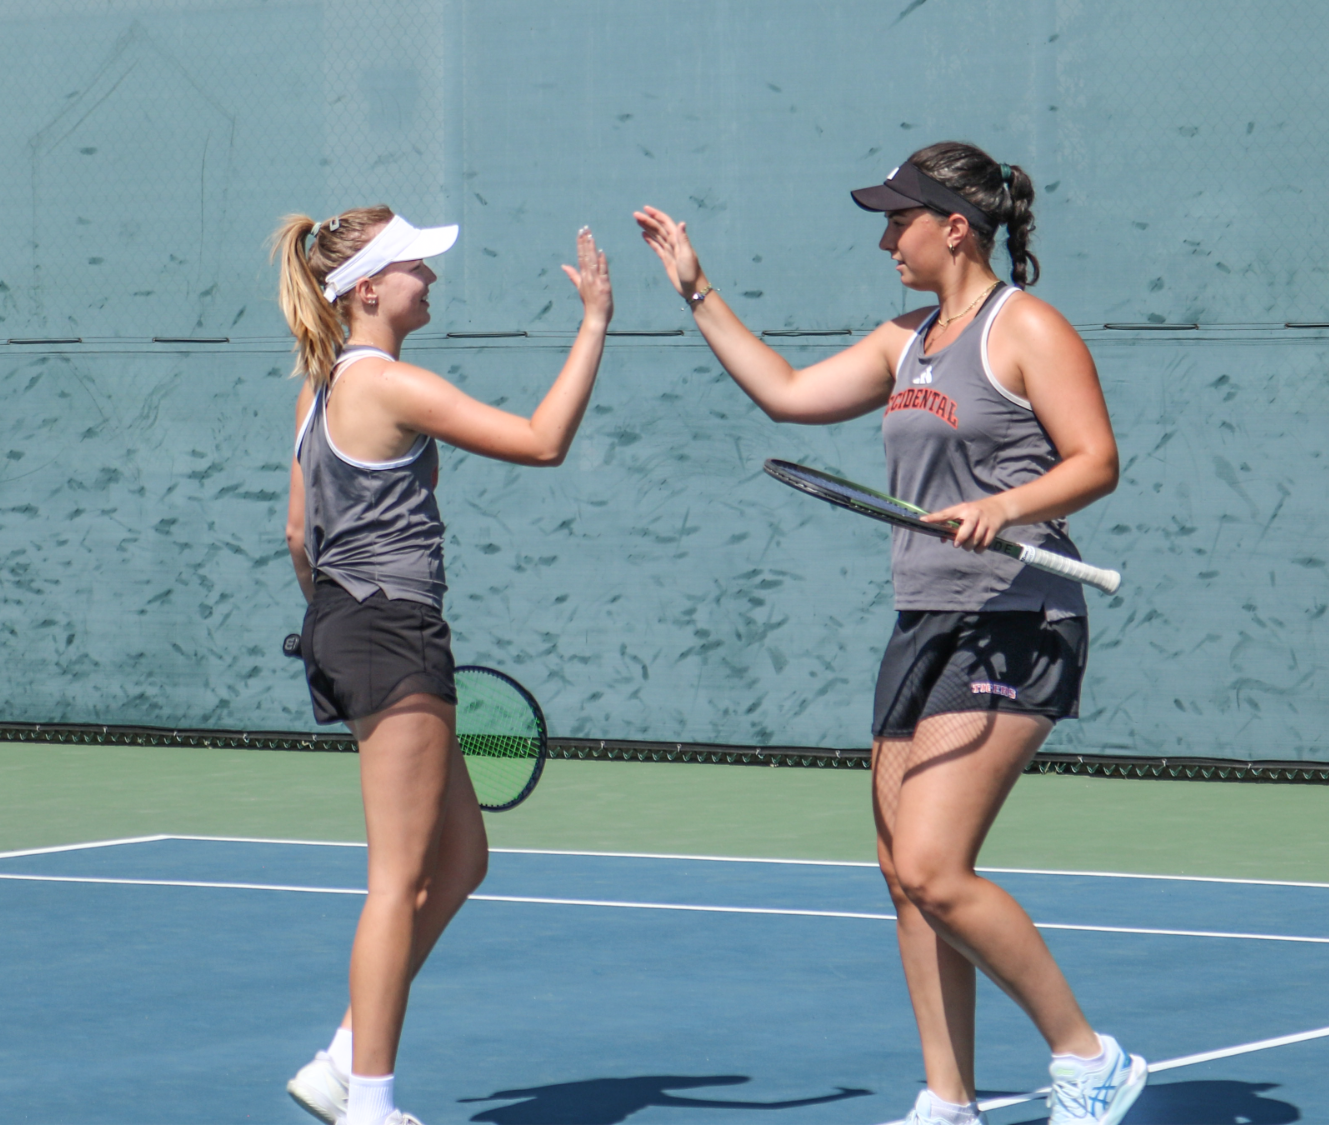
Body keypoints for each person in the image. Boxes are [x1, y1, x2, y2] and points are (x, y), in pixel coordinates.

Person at [634, 142, 1143, 1125]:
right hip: (923, 623)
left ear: (952, 226)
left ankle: (1088, 1058)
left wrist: (1009, 504)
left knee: (932, 866)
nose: (883, 239)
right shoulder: (901, 340)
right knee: (898, 874)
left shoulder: (1025, 329)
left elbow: (1094, 461)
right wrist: (698, 293)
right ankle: (944, 1098)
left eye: (896, 220)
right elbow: (783, 392)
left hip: (1015, 623)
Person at [271, 207, 613, 1125]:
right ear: (369, 289)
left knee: (460, 857)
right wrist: (593, 327)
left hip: (348, 627)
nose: (432, 278)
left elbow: (299, 534)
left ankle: (346, 1055)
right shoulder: (389, 384)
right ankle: (371, 1104)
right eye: (416, 266)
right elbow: (543, 441)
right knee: (396, 879)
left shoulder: (316, 390)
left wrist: (337, 616)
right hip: (392, 633)